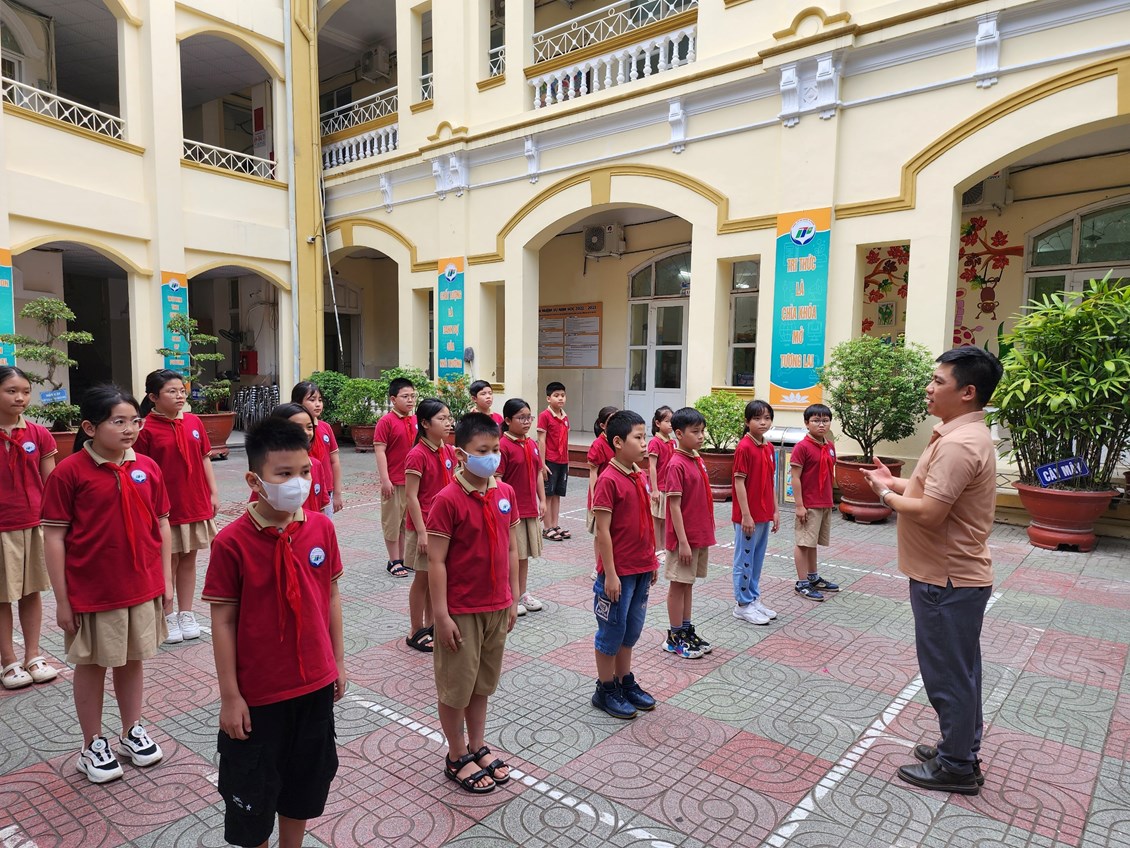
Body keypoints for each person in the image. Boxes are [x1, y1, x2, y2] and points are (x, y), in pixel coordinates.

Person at [862, 346, 1003, 796]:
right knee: (962, 670)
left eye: (939, 381)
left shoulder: (959, 444)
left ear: (967, 392)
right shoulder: (962, 435)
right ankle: (960, 749)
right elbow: (931, 491)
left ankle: (957, 766)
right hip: (954, 577)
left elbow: (929, 512)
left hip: (945, 579)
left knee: (947, 675)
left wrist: (885, 496)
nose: (929, 388)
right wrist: (893, 482)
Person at [203, 417, 346, 846]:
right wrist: (230, 696)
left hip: (314, 686)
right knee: (253, 794)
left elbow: (331, 597)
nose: (297, 483)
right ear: (255, 480)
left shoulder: (321, 528)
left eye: (304, 472)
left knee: (304, 785)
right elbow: (223, 621)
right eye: (283, 474)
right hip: (259, 698)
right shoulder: (231, 542)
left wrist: (338, 663)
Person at [42, 385, 173, 783]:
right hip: (94, 591)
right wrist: (63, 600)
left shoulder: (147, 468)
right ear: (89, 427)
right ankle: (92, 744)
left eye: (135, 421)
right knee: (93, 664)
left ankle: (132, 730)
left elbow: (162, 524)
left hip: (142, 585)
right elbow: (54, 537)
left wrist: (165, 582)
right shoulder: (69, 472)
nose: (130, 429)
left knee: (134, 659)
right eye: (118, 421)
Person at [427, 412, 519, 794]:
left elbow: (511, 548)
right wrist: (441, 615)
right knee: (456, 688)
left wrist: (513, 596)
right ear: (461, 454)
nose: (492, 457)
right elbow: (435, 561)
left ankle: (477, 745)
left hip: (497, 606)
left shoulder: (505, 493)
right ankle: (456, 754)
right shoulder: (447, 500)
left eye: (495, 449)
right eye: (483, 451)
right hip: (461, 611)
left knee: (482, 684)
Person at [136, 369, 220, 644]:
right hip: (164, 508)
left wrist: (213, 493)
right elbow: (141, 471)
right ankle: (168, 615)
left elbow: (205, 458)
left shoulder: (194, 422)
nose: (180, 396)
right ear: (153, 397)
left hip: (194, 502)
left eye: (182, 391)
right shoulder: (145, 429)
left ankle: (187, 613)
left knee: (189, 559)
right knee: (168, 560)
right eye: (172, 392)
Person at [590, 410, 659, 719]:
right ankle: (605, 689)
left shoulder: (638, 475)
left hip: (641, 567)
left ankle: (624, 681)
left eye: (645, 437)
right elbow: (602, 531)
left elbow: (645, 521)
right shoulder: (608, 479)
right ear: (618, 442)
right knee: (611, 631)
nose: (645, 444)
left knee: (630, 630)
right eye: (638, 438)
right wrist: (610, 574)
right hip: (618, 574)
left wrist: (651, 560)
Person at [0, 366, 59, 690]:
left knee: (31, 591)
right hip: (1, 529)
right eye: (11, 391)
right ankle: (8, 661)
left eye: (25, 391)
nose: (20, 398)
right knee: (1, 597)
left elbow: (51, 483)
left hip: (33, 524)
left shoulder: (39, 434)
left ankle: (33, 655)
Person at [662, 407, 716, 659]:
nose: (701, 436)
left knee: (688, 584)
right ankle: (674, 637)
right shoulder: (676, 464)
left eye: (702, 431)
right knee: (678, 584)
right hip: (683, 539)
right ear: (679, 433)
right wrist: (682, 542)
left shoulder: (695, 458)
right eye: (695, 432)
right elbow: (674, 505)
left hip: (697, 534)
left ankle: (685, 629)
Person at [403, 398, 457, 652]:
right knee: (422, 579)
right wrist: (422, 532)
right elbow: (411, 496)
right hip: (424, 526)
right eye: (441, 419)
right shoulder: (417, 454)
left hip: (444, 526)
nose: (448, 423)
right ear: (425, 424)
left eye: (449, 418)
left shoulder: (448, 450)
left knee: (435, 578)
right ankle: (415, 630)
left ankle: (431, 624)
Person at [731, 400, 780, 626]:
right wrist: (746, 515)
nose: (763, 422)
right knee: (745, 559)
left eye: (767, 418)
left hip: (763, 514)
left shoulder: (768, 447)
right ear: (747, 421)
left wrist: (775, 511)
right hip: (747, 516)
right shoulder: (744, 447)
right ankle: (742, 604)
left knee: (757, 559)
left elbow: (770, 482)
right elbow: (739, 483)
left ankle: (753, 597)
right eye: (757, 418)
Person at [497, 398, 546, 616]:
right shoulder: (503, 446)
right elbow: (498, 479)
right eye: (521, 418)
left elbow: (538, 473)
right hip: (510, 512)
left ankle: (522, 592)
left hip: (529, 509)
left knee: (523, 555)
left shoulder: (532, 444)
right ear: (508, 420)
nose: (527, 422)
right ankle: (510, 595)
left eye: (529, 417)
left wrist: (542, 500)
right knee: (511, 555)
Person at [789, 403, 840, 601]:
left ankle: (813, 577)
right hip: (809, 504)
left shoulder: (829, 446)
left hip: (824, 502)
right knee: (803, 543)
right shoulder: (802, 447)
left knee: (812, 543)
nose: (821, 424)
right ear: (806, 423)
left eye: (825, 420)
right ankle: (802, 583)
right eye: (816, 420)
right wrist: (799, 505)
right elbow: (795, 477)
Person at [249, 404, 331, 515]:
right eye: (285, 473)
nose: (305, 433)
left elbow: (321, 506)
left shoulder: (316, 465)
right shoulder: (267, 473)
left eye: (309, 427)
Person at [374, 377, 418, 577]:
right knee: (392, 522)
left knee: (407, 522)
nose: (410, 400)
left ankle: (404, 558)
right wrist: (385, 479)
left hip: (412, 481)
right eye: (405, 396)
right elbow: (380, 451)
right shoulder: (386, 422)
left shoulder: (416, 421)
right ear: (393, 399)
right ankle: (393, 561)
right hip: (394, 481)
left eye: (412, 396)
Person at [293, 381, 344, 513]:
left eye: (320, 400)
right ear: (298, 403)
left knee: (323, 523)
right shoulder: (293, 430)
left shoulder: (326, 427)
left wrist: (337, 493)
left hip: (326, 489)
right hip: (304, 489)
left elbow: (334, 461)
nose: (318, 404)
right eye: (312, 400)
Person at [537, 381, 571, 542]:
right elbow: (541, 441)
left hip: (563, 461)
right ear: (548, 398)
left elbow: (566, 440)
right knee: (548, 494)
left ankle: (555, 525)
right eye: (556, 395)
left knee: (557, 494)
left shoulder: (565, 417)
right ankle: (547, 528)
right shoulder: (545, 416)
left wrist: (567, 461)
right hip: (550, 460)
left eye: (563, 395)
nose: (560, 398)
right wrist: (542, 464)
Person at [585, 406, 618, 536]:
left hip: (615, 491)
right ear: (603, 426)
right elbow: (593, 473)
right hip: (601, 493)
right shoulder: (598, 444)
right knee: (600, 534)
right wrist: (594, 499)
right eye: (611, 421)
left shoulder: (618, 441)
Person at [647, 406, 674, 550]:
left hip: (669, 486)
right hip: (659, 487)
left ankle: (664, 548)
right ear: (658, 423)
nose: (670, 424)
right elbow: (652, 467)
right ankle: (657, 549)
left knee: (665, 519)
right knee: (657, 520)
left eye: (671, 421)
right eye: (667, 421)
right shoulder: (655, 442)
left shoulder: (672, 442)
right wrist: (655, 489)